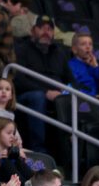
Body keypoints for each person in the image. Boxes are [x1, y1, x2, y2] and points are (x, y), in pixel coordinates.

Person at [14, 15, 72, 152]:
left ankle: (68, 152)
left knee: (73, 99)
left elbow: (71, 80)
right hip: (28, 96)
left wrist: (67, 91)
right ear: (33, 30)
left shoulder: (59, 52)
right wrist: (46, 92)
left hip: (58, 95)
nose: (46, 32)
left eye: (50, 29)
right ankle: (38, 148)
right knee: (38, 97)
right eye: (42, 28)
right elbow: (19, 80)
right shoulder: (22, 49)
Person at [0, 117, 30, 186]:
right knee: (4, 161)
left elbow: (26, 173)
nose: (12, 136)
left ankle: (33, 185)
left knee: (16, 160)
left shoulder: (13, 153)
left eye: (13, 133)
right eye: (9, 133)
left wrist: (20, 159)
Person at [69, 31, 99, 97]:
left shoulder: (94, 65)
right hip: (83, 100)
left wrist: (96, 67)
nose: (88, 47)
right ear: (74, 49)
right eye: (83, 44)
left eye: (90, 44)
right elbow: (74, 87)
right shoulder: (71, 66)